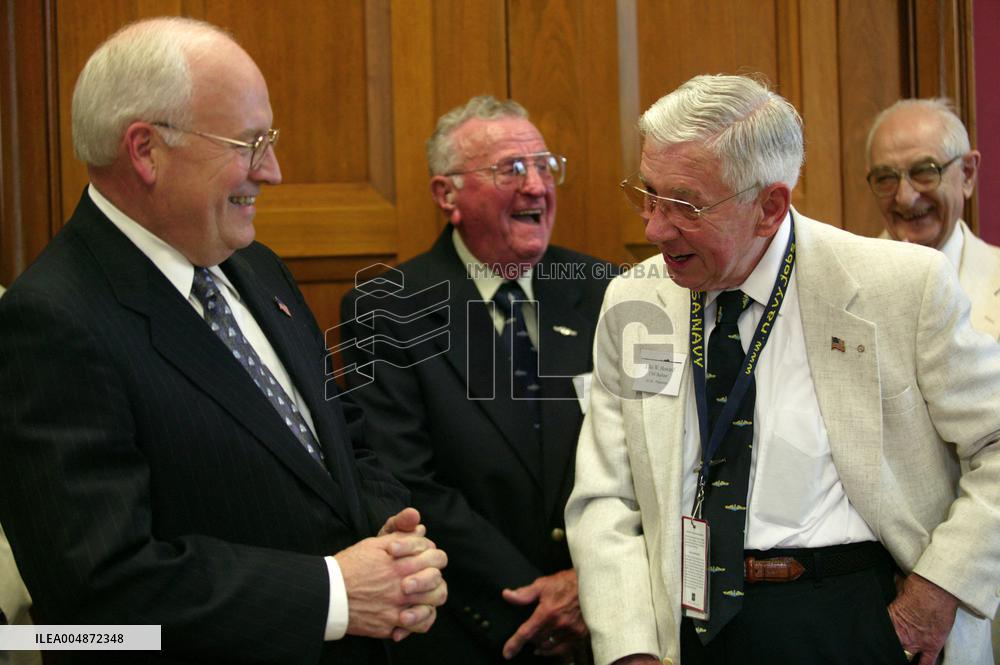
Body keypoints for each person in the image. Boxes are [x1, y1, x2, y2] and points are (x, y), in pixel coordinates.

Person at [0, 17, 447, 665]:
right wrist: (333, 593)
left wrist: (393, 539)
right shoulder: (51, 321)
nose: (273, 170)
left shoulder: (258, 267)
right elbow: (98, 594)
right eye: (249, 141)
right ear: (145, 150)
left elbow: (342, 438)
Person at [565, 74, 1000, 665]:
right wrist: (628, 647)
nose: (654, 228)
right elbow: (606, 496)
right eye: (647, 193)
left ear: (769, 206)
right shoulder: (635, 302)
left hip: (854, 616)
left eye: (685, 205)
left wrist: (937, 592)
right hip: (689, 623)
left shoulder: (900, 286)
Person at [339, 95, 613, 664]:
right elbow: (403, 478)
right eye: (512, 169)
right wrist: (533, 597)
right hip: (469, 627)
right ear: (447, 195)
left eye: (546, 166)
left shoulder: (608, 290)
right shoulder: (384, 308)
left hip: (605, 613)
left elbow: (646, 457)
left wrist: (588, 580)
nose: (537, 186)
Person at [866, 97, 1000, 340]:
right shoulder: (844, 284)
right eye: (886, 178)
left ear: (967, 174)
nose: (905, 198)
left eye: (925, 172)